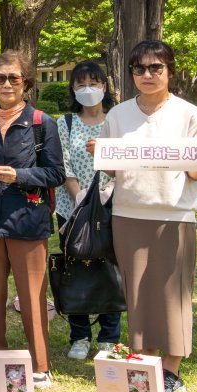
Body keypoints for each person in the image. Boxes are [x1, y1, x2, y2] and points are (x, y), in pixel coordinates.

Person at [89, 40, 197, 392]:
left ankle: (171, 370)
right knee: (137, 293)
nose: (148, 75)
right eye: (140, 69)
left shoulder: (188, 114)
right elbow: (110, 169)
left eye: (156, 68)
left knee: (173, 292)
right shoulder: (118, 115)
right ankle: (146, 363)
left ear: (169, 71)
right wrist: (99, 152)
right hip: (128, 213)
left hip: (174, 215)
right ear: (132, 73)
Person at [0, 50, 64, 388]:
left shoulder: (42, 122)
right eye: (0, 78)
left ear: (26, 82)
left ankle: (40, 365)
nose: (7, 83)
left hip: (27, 220)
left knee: (32, 296)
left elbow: (55, 173)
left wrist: (20, 175)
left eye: (14, 77)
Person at [55, 61, 122, 361]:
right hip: (72, 208)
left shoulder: (117, 121)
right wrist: (79, 197)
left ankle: (110, 337)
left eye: (94, 83)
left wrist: (109, 193)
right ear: (72, 88)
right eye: (81, 84)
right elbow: (65, 166)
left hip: (112, 205)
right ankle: (79, 335)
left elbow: (125, 161)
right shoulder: (65, 123)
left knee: (110, 268)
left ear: (105, 87)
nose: (88, 89)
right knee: (76, 267)